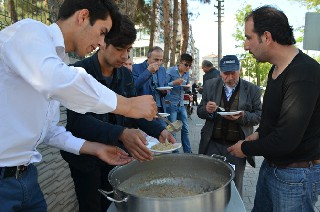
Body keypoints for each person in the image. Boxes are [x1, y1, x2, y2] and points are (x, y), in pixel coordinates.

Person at [0, 0, 157, 211]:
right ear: (82, 17)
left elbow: (50, 131)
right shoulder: (30, 30)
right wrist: (127, 105)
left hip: (27, 176)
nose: (102, 43)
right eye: (102, 32)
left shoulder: (57, 60)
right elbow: (56, 79)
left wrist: (95, 148)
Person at [60, 15, 176, 212]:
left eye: (129, 50)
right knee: (91, 206)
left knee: (115, 204)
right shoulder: (79, 72)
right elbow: (78, 122)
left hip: (118, 157)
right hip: (87, 161)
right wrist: (120, 133)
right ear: (102, 41)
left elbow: (133, 113)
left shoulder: (125, 75)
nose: (125, 56)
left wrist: (160, 131)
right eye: (120, 49)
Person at [227, 5, 320, 211]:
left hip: (295, 177)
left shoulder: (303, 73)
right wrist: (259, 134)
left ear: (266, 37)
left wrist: (245, 148)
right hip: (272, 167)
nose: (245, 45)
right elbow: (274, 119)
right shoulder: (275, 70)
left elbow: (286, 140)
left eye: (249, 37)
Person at [197, 55, 262, 196]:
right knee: (208, 183)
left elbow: (258, 116)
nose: (230, 77)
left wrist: (243, 116)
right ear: (220, 72)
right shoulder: (210, 85)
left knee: (234, 185)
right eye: (226, 73)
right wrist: (207, 110)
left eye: (234, 73)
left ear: (240, 70)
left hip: (237, 145)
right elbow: (200, 111)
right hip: (212, 142)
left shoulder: (252, 90)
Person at [165, 53, 193, 153]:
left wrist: (187, 88)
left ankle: (188, 152)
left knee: (185, 129)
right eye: (186, 65)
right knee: (173, 131)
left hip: (181, 104)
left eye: (190, 65)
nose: (188, 67)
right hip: (171, 104)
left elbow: (186, 87)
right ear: (180, 62)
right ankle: (175, 153)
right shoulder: (170, 71)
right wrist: (174, 83)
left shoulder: (186, 74)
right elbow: (164, 86)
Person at [133, 46, 169, 113]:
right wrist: (148, 71)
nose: (158, 63)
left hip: (160, 108)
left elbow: (165, 86)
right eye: (156, 60)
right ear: (148, 57)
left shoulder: (162, 70)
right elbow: (134, 86)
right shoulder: (136, 68)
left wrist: (165, 91)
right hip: (144, 109)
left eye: (161, 60)